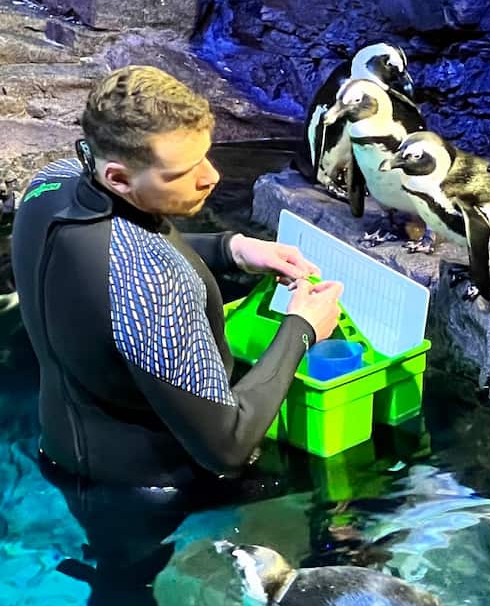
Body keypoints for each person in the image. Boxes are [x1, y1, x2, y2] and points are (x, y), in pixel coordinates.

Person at [12, 64, 343, 491]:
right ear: (118, 177)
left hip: (61, 441)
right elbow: (228, 445)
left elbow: (121, 246)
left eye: (205, 155)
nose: (211, 176)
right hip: (151, 489)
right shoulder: (156, 283)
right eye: (181, 173)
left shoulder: (48, 185)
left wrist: (233, 249)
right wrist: (302, 328)